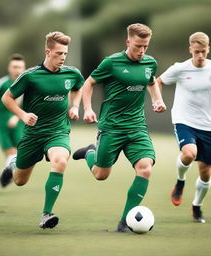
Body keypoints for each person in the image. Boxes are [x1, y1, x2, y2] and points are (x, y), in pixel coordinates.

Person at [72, 23, 166, 232]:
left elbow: (151, 82)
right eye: (138, 46)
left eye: (146, 46)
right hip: (112, 127)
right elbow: (89, 83)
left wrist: (156, 100)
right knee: (101, 174)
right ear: (128, 42)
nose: (142, 51)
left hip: (136, 127)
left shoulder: (150, 63)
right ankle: (90, 152)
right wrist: (87, 109)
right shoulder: (111, 63)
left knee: (145, 168)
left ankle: (125, 222)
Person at [157, 32, 211, 223]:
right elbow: (158, 81)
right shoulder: (180, 68)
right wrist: (158, 100)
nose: (200, 56)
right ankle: (180, 182)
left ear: (208, 49)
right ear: (190, 49)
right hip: (183, 120)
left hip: (206, 125)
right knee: (189, 154)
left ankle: (197, 206)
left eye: (203, 52)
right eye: (196, 52)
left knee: (205, 173)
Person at [0, 31, 84, 229]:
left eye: (65, 53)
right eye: (59, 53)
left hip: (58, 132)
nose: (63, 57)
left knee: (61, 160)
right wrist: (22, 115)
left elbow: (79, 87)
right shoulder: (30, 76)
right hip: (33, 135)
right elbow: (6, 98)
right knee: (20, 180)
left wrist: (74, 106)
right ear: (47, 51)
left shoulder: (72, 73)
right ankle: (13, 165)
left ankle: (46, 214)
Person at [0, 54, 25, 186]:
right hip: (0, 124)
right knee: (11, 152)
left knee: (20, 153)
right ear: (9, 68)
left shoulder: (26, 83)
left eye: (19, 67)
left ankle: (4, 175)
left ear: (23, 68)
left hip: (18, 124)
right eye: (14, 66)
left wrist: (16, 116)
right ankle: (5, 177)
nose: (17, 69)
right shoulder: (2, 83)